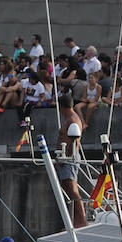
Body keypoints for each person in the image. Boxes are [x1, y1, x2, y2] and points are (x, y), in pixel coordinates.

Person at [55, 94, 87, 227]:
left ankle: (82, 221)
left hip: (69, 158)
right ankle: (75, 219)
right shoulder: (69, 119)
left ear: (61, 107)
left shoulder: (73, 120)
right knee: (67, 188)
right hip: (65, 157)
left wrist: (66, 157)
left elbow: (75, 142)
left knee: (72, 189)